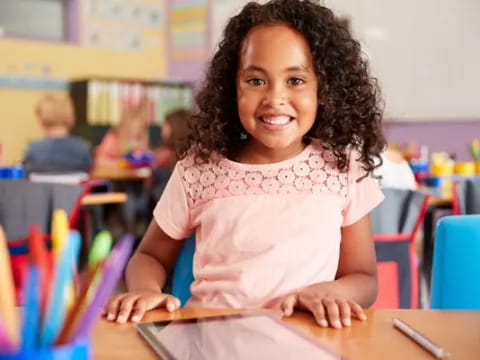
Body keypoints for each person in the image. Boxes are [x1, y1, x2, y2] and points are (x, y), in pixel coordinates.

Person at [105, 0, 386, 329]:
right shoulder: (199, 169)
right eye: (256, 81)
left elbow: (364, 278)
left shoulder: (342, 167)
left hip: (307, 342)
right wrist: (145, 290)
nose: (274, 98)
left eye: (295, 80)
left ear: (325, 89)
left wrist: (330, 292)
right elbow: (149, 256)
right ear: (231, 88)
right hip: (211, 341)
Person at [94, 100, 152, 236]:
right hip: (116, 183)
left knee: (143, 195)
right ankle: (130, 232)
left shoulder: (141, 140)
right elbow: (100, 161)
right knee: (129, 197)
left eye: (139, 129)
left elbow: (148, 159)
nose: (135, 132)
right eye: (132, 128)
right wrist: (121, 163)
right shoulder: (113, 138)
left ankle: (138, 230)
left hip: (138, 183)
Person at [23, 93, 92, 175]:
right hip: (73, 187)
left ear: (41, 121)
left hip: (42, 187)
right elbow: (90, 170)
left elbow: (26, 172)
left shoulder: (34, 148)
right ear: (72, 119)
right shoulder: (82, 147)